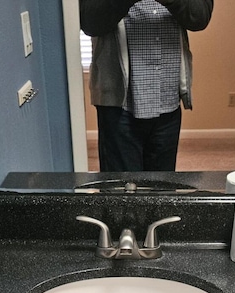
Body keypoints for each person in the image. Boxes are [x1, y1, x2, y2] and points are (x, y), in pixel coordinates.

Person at [80, 0, 213, 172]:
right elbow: (90, 22)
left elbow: (199, 17)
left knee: (162, 189)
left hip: (168, 99)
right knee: (121, 191)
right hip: (118, 104)